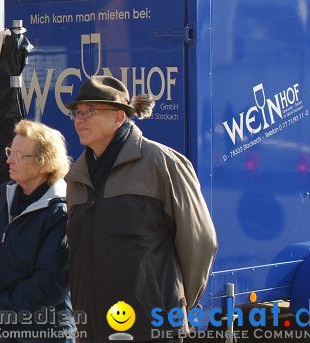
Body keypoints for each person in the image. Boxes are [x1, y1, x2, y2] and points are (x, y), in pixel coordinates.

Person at [63, 76, 216, 343]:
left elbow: (200, 242)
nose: (79, 119)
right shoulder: (77, 176)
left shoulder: (161, 163)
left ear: (119, 117)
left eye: (90, 111)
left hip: (151, 329)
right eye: (77, 112)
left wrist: (175, 306)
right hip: (93, 331)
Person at [0, 119, 75, 343]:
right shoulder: (1, 196)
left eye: (19, 155)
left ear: (45, 163)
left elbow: (50, 284)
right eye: (9, 151)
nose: (8, 160)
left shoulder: (61, 210)